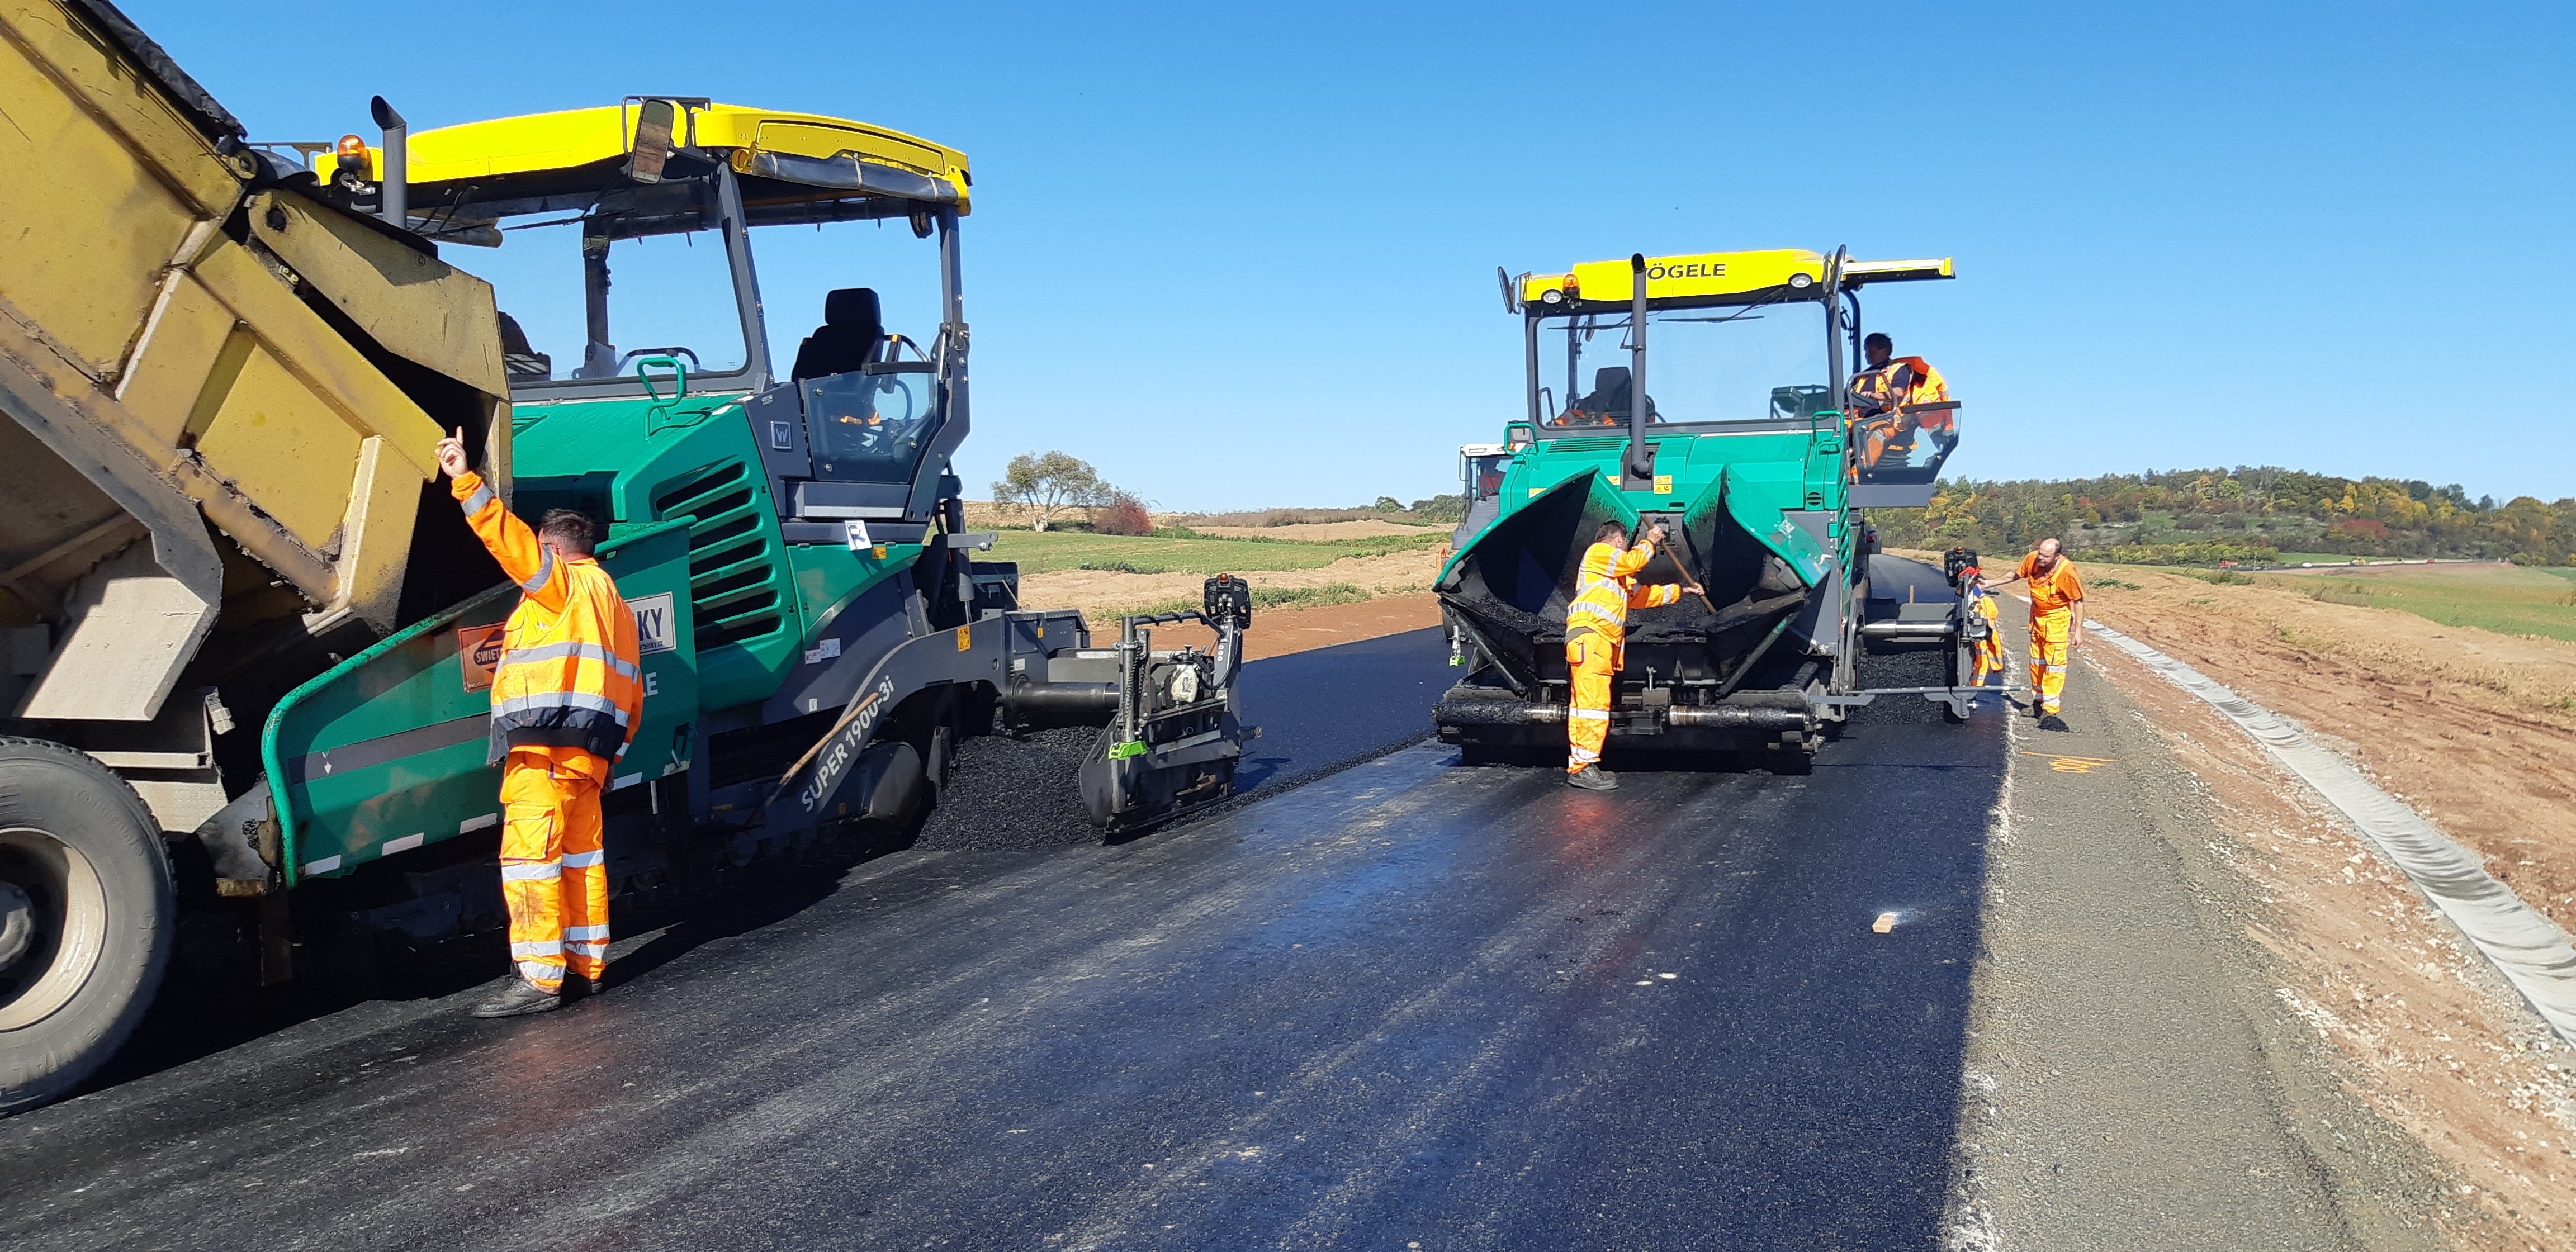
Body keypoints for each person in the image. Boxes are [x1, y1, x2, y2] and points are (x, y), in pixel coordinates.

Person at [433, 428, 646, 1018]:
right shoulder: (615, 604)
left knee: (531, 860)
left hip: (544, 755)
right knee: (581, 859)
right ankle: (585, 965)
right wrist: (613, 751)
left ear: (554, 549)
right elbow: (633, 693)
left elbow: (509, 542)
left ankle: (539, 979)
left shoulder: (561, 585)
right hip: (589, 758)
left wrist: (463, 478)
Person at [1562, 519, 1700, 790]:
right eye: (1623, 545)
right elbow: (1632, 562)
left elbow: (1641, 596)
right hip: (1591, 638)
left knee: (1587, 706)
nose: (1623, 549)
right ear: (1617, 540)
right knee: (1592, 705)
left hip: (1595, 642)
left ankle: (1581, 763)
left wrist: (1682, 591)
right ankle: (1582, 768)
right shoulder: (1598, 553)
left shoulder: (1613, 575)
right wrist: (1650, 540)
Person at [1981, 538, 2085, 727]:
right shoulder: (2032, 559)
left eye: (2046, 556)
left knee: (2054, 665)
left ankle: (2050, 711)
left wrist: (2078, 631)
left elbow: (2078, 601)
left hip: (2056, 621)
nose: (2041, 559)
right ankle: (2038, 703)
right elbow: (2014, 575)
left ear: (2057, 556)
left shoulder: (2067, 571)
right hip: (2037, 618)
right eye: (2040, 554)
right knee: (2037, 663)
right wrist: (1987, 584)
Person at [1847, 333, 1955, 468]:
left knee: (1877, 434)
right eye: (1866, 351)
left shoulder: (1899, 369)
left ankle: (1859, 474)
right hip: (1860, 419)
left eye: (1871, 351)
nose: (1867, 355)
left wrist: (1875, 396)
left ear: (1884, 350)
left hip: (1890, 420)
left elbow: (1898, 392)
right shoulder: (1862, 377)